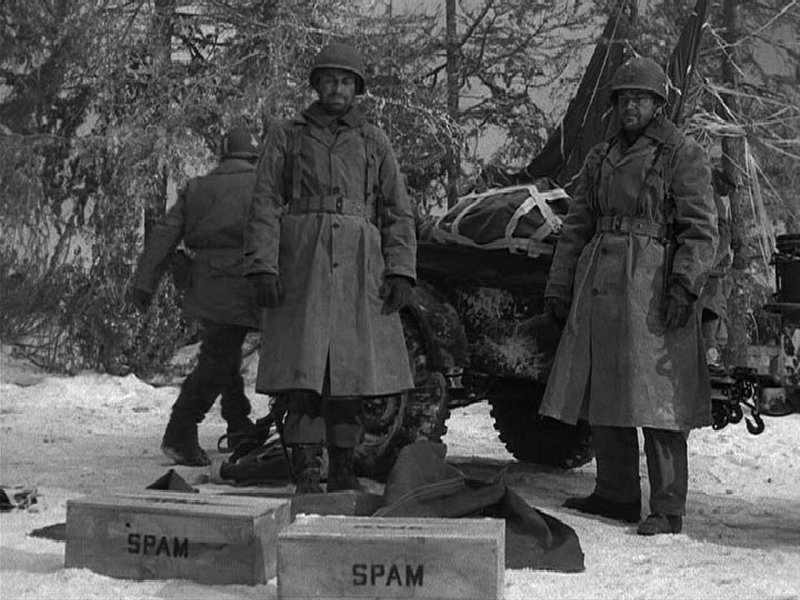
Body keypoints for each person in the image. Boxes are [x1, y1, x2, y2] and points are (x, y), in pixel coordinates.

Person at [539, 56, 719, 535]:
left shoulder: (681, 153)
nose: (629, 107)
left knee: (660, 399)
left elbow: (701, 229)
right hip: (600, 281)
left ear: (659, 104)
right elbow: (576, 226)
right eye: (623, 98)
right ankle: (615, 493)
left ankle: (668, 506)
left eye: (640, 98)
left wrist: (684, 284)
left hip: (653, 286)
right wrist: (559, 287)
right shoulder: (600, 156)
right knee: (606, 388)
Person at [243, 42, 417, 494]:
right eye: (329, 80)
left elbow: (397, 209)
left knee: (351, 376)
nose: (337, 89)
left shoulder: (373, 140)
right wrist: (263, 265)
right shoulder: (288, 136)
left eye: (345, 81)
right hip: (302, 263)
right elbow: (264, 201)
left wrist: (400, 269)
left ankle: (342, 468)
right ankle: (305, 469)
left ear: (356, 89)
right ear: (316, 85)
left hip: (359, 266)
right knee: (305, 375)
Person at [129, 128, 262, 466]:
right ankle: (180, 430)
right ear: (253, 155)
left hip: (204, 283)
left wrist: (144, 283)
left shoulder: (197, 187)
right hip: (245, 281)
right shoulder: (263, 185)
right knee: (218, 357)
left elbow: (164, 234)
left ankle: (238, 423)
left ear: (223, 154)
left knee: (223, 349)